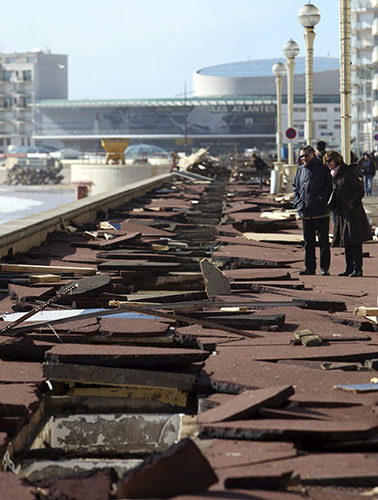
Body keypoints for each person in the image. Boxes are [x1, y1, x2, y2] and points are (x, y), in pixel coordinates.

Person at [324, 150, 372, 277]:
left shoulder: (348, 173)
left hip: (353, 213)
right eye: (326, 162)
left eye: (329, 161)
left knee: (355, 241)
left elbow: (359, 191)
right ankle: (349, 268)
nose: (328, 164)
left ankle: (358, 269)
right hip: (341, 213)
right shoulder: (335, 175)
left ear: (337, 159)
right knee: (346, 241)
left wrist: (351, 203)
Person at [293, 145, 332, 276]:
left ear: (313, 155)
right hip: (305, 212)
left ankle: (324, 268)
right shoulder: (300, 170)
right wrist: (298, 202)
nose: (304, 158)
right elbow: (295, 188)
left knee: (323, 241)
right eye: (301, 156)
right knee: (308, 242)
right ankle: (310, 267)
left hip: (320, 212)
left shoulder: (322, 169)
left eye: (306, 155)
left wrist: (320, 200)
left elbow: (328, 187)